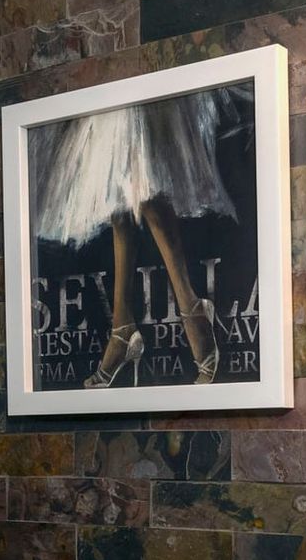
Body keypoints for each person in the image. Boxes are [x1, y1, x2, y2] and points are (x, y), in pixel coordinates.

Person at [32, 85, 244, 387]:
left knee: (144, 178)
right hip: (107, 86)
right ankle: (123, 324)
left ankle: (189, 309)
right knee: (116, 193)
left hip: (142, 86)